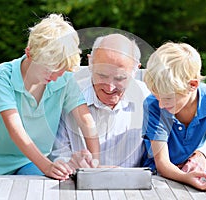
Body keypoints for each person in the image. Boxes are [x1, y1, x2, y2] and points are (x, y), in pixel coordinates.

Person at [0, 14, 99, 180]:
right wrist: (47, 166)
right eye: (49, 69)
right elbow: (15, 130)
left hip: (32, 163)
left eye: (61, 70)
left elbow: (86, 120)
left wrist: (95, 162)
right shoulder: (2, 75)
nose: (55, 76)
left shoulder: (65, 79)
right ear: (29, 53)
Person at [49, 33, 150, 168]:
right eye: (102, 75)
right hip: (76, 184)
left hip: (133, 185)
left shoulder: (148, 99)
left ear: (135, 70)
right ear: (91, 63)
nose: (110, 87)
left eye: (120, 78)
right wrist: (70, 164)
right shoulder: (68, 96)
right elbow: (57, 155)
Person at [141, 42, 206, 191]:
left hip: (192, 171)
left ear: (192, 85)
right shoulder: (153, 105)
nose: (161, 104)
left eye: (167, 98)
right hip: (156, 178)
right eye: (157, 97)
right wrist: (186, 177)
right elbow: (162, 164)